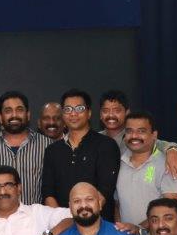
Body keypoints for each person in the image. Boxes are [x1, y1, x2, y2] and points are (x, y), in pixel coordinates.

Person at [40, 89, 120, 220]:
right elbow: (48, 193)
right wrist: (63, 221)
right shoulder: (52, 150)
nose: (73, 113)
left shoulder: (106, 145)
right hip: (62, 225)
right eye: (68, 109)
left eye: (79, 108)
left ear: (89, 113)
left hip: (98, 224)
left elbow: (105, 190)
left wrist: (82, 222)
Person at [114, 111, 177, 235]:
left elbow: (171, 205)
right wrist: (121, 230)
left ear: (154, 135)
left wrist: (139, 228)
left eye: (141, 131)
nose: (134, 136)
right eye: (129, 131)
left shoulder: (167, 163)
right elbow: (117, 204)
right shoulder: (118, 162)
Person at [0, 91, 52, 205]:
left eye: (19, 110)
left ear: (28, 115)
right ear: (0, 117)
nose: (14, 115)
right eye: (8, 111)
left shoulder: (47, 145)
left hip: (36, 216)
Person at [98, 91, 177, 178]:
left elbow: (162, 144)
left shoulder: (133, 138)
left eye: (117, 111)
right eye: (105, 111)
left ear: (127, 113)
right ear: (100, 114)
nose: (111, 115)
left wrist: (172, 151)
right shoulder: (95, 139)